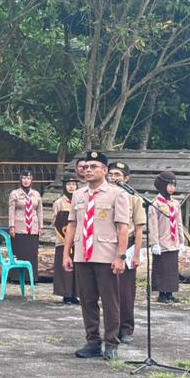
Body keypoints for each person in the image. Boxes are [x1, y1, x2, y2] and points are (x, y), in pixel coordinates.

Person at [62, 150, 131, 361]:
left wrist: (121, 257)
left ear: (105, 170)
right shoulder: (78, 195)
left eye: (94, 167)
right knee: (87, 300)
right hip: (83, 255)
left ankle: (111, 342)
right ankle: (92, 342)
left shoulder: (117, 194)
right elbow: (72, 225)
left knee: (110, 302)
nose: (89, 170)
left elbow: (122, 228)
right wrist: (67, 254)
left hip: (106, 256)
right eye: (86, 167)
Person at [107, 161, 146, 344]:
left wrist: (136, 255)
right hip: (106, 245)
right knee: (108, 291)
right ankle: (111, 329)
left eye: (118, 175)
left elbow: (138, 230)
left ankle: (126, 328)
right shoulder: (104, 195)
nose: (114, 178)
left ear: (126, 179)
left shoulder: (134, 199)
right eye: (111, 174)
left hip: (127, 245)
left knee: (125, 291)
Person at [151, 171, 184, 303]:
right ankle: (162, 294)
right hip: (162, 241)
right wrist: (155, 243)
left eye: (174, 185)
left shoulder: (175, 203)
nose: (172, 188)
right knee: (162, 268)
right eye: (169, 185)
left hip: (173, 241)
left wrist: (181, 241)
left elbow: (179, 223)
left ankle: (170, 292)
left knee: (172, 269)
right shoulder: (156, 203)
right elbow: (153, 225)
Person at [7, 169, 41, 285]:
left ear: (31, 180)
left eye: (28, 178)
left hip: (33, 227)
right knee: (19, 252)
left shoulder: (36, 194)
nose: (26, 181)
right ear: (20, 180)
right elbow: (11, 211)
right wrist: (11, 226)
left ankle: (31, 277)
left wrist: (41, 227)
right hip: (19, 226)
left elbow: (39, 211)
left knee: (32, 253)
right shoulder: (15, 194)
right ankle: (16, 277)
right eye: (24, 178)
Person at [52, 174, 79, 304]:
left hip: (77, 241)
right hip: (62, 240)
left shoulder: (79, 201)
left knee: (77, 268)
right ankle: (66, 294)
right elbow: (55, 221)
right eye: (68, 184)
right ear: (64, 186)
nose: (71, 187)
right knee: (64, 268)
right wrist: (64, 237)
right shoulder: (59, 203)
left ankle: (76, 293)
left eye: (73, 184)